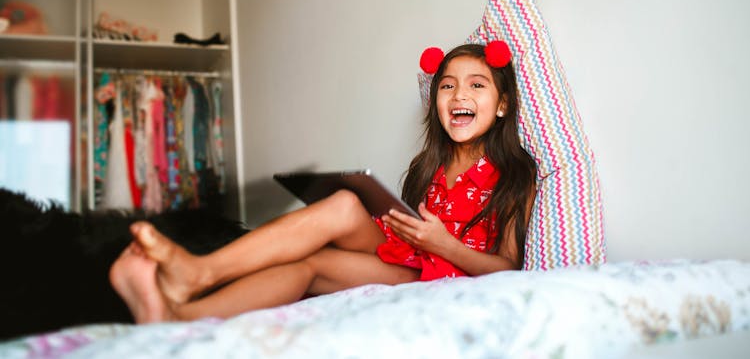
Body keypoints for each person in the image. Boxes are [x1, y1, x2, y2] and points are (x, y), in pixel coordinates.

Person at [110, 41, 538, 323]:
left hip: (446, 275)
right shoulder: (428, 167)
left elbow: (508, 266)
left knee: (312, 266)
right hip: (409, 258)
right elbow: (403, 240)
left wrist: (442, 244)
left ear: (501, 105)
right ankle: (184, 304)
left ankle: (194, 284)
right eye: (447, 86)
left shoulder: (516, 175)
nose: (459, 95)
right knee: (345, 205)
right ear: (436, 102)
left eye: (476, 86)